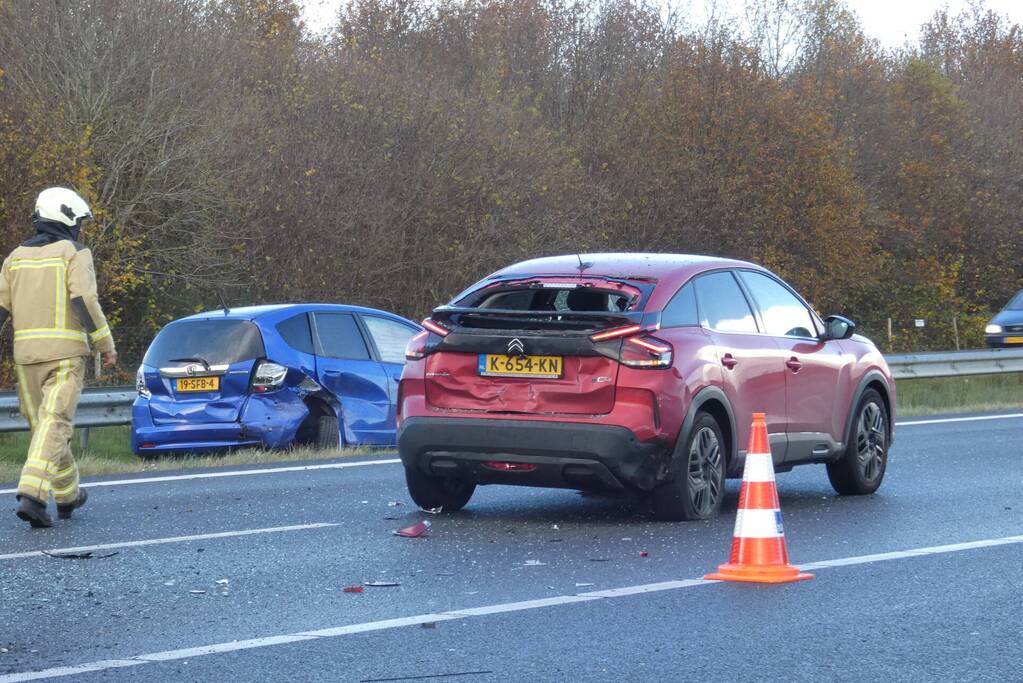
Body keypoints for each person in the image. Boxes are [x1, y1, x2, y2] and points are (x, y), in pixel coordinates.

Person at [0, 187, 117, 528]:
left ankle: (67, 496)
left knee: (46, 426)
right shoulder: (74, 253)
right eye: (78, 220)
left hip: (25, 360)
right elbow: (84, 301)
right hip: (65, 356)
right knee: (56, 422)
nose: (79, 227)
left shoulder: (14, 258)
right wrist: (104, 343)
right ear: (66, 217)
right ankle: (32, 494)